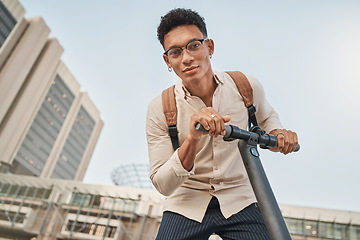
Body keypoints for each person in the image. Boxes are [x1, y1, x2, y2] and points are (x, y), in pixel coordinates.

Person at [146, 8, 298, 240]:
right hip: (187, 201)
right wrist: (193, 138)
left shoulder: (245, 86)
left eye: (194, 45)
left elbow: (268, 121)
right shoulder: (160, 108)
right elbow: (163, 184)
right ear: (168, 60)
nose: (186, 58)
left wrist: (280, 136)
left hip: (240, 198)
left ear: (210, 47)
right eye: (176, 52)